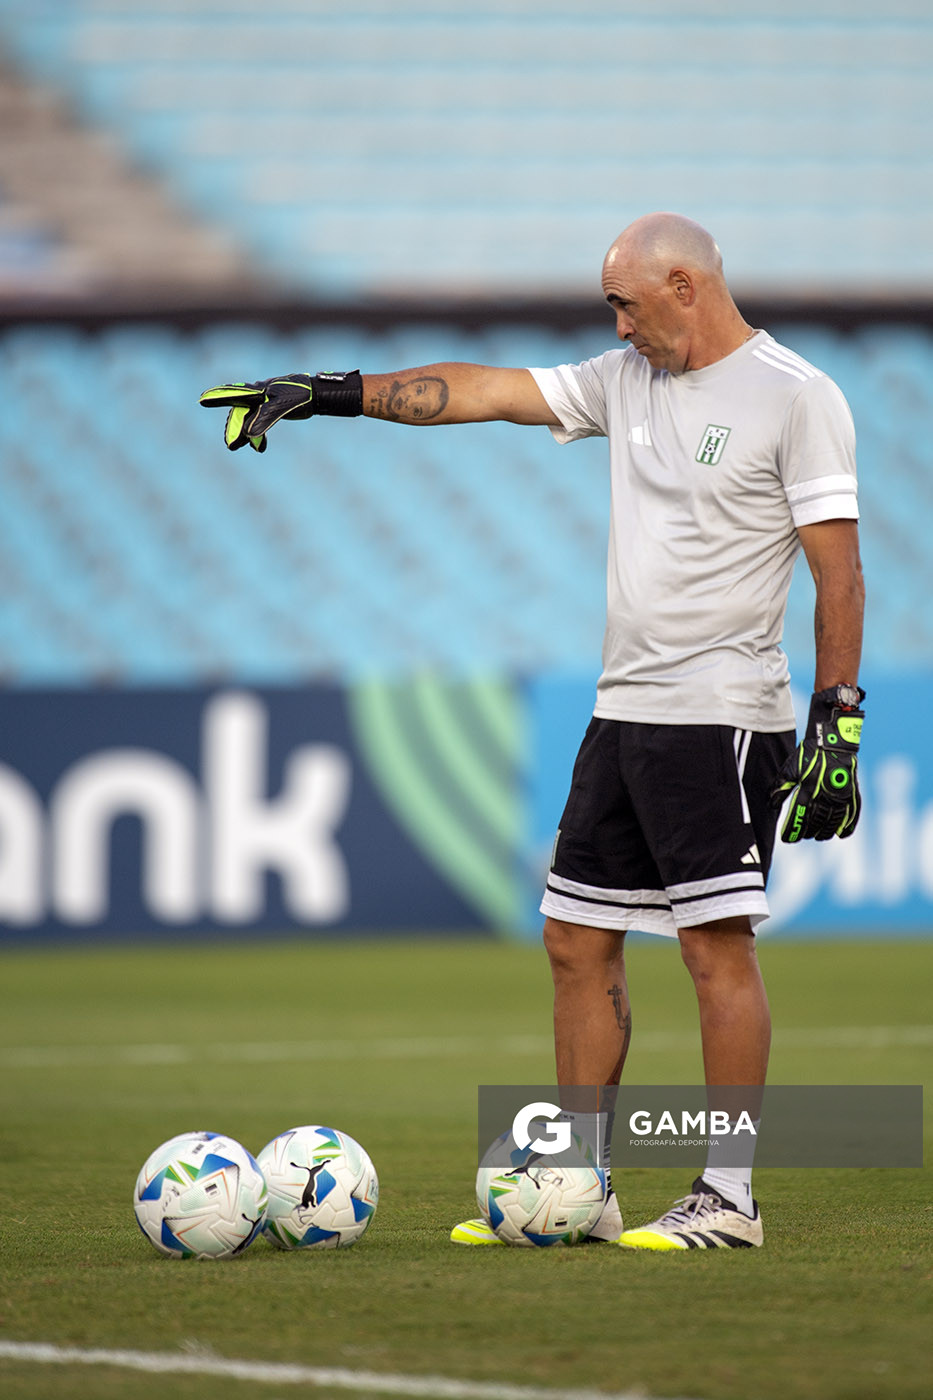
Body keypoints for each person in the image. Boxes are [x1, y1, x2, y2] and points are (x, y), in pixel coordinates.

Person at [200, 211, 865, 1250]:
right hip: (624, 711)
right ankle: (576, 1186)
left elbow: (838, 565)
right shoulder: (623, 378)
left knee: (713, 950)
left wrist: (840, 711)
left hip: (722, 716)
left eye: (629, 306)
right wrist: (334, 393)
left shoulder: (796, 395)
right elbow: (487, 391)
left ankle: (728, 1198)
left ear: (686, 286)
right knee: (573, 938)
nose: (618, 326)